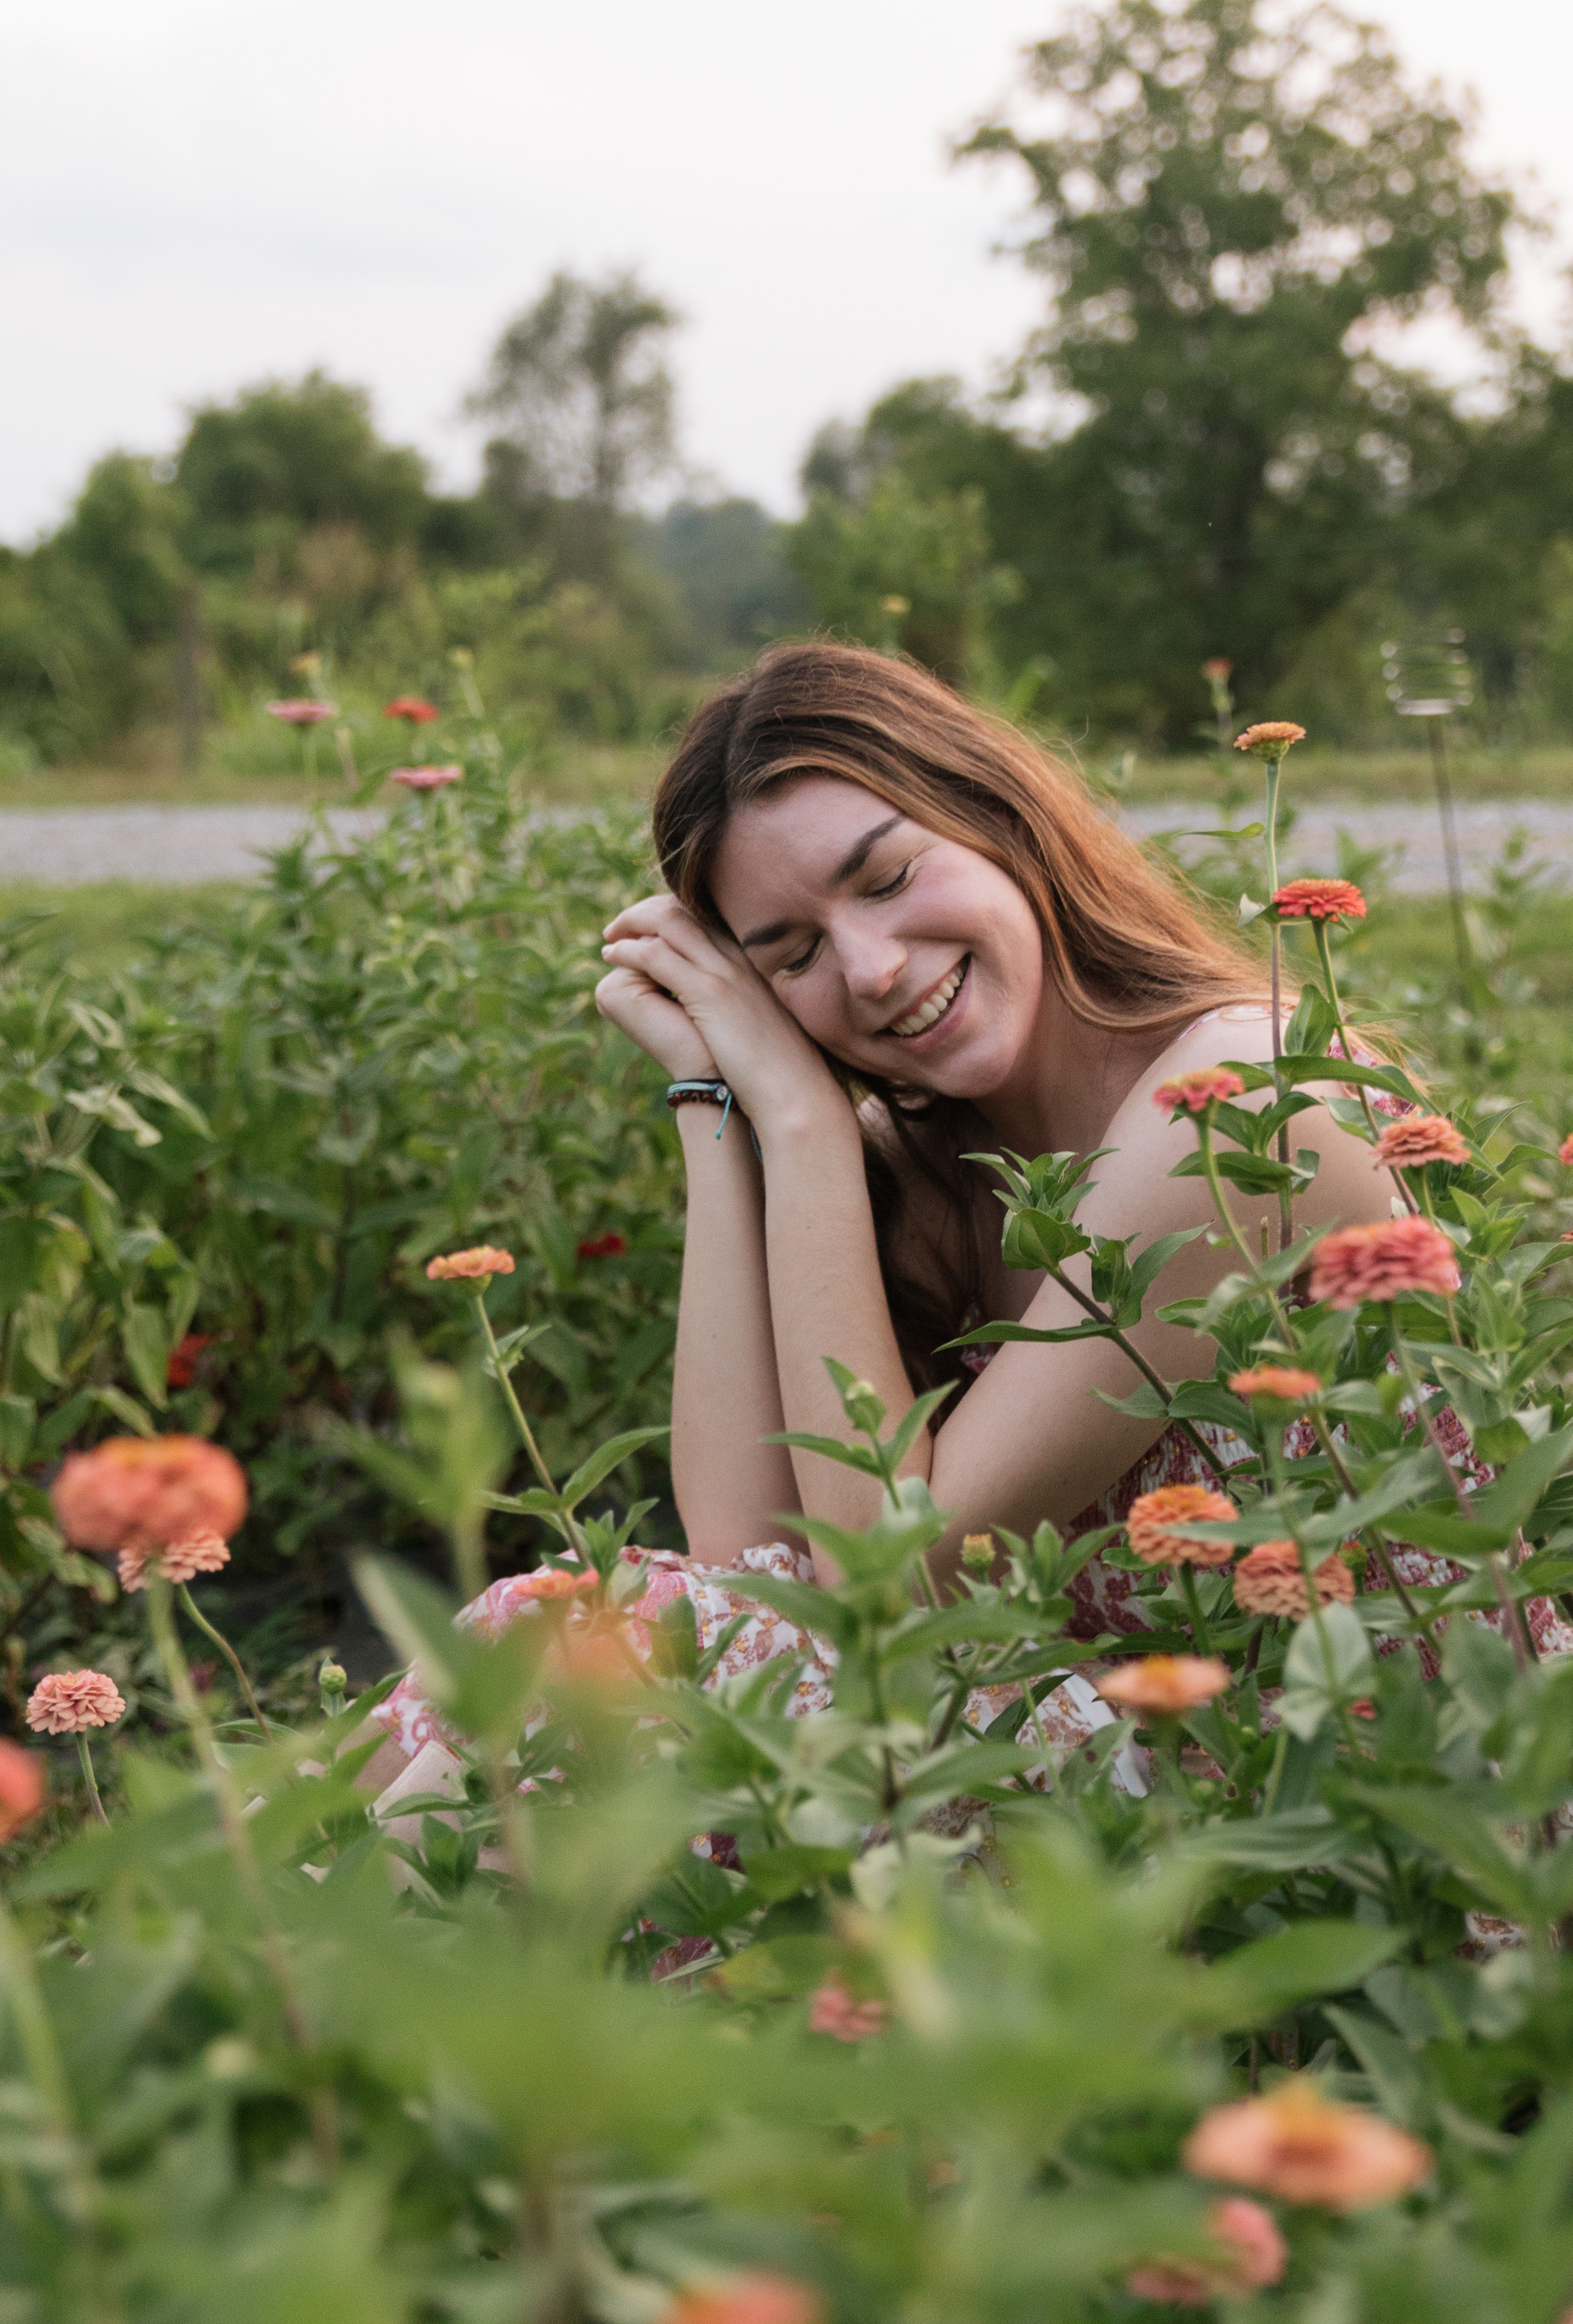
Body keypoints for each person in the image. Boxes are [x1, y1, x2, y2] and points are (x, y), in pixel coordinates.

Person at [361, 643, 1395, 1798]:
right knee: (572, 1632)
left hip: (1338, 1809)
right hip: (1118, 1766)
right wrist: (720, 1104)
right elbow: (745, 1555)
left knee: (613, 1680)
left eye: (890, 879)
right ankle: (264, 1956)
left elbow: (895, 1586)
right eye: (791, 956)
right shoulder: (937, 1166)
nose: (870, 971)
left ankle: (280, 1962)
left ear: (1003, 820)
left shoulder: (1242, 1107)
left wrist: (803, 1123)